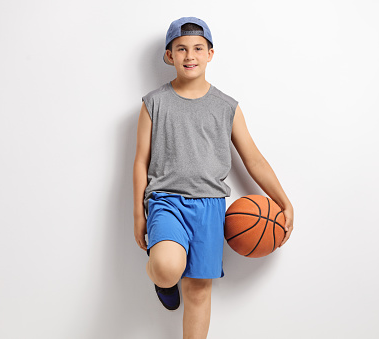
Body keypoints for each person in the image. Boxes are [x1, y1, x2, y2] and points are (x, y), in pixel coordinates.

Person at [133, 16, 294, 338]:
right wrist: (138, 214)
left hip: (210, 207)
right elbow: (141, 161)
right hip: (167, 201)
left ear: (210, 54)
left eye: (197, 48)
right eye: (181, 49)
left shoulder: (227, 107)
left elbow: (254, 159)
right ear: (169, 56)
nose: (189, 56)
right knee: (166, 269)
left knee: (198, 290)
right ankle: (161, 283)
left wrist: (283, 200)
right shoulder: (154, 103)